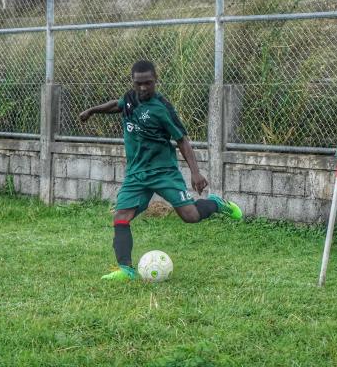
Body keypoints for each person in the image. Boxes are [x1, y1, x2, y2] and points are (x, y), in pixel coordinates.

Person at [79, 60, 242, 281]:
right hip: (136, 174)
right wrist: (91, 111)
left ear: (156, 80)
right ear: (133, 82)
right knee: (121, 217)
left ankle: (216, 203)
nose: (143, 88)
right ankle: (126, 270)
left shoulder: (162, 108)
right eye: (139, 83)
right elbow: (115, 105)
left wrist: (195, 172)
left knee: (190, 216)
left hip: (164, 172)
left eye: (148, 83)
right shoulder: (129, 99)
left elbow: (182, 140)